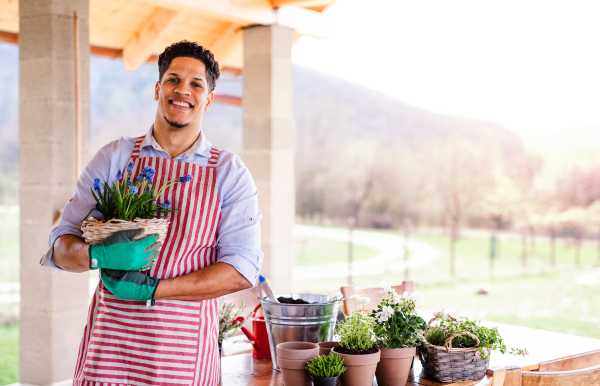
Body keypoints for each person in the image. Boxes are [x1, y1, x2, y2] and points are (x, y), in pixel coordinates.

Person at [39, 41, 264, 385]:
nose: (182, 91)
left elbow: (240, 270)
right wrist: (97, 255)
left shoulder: (229, 172)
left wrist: (155, 289)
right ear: (158, 88)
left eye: (196, 84)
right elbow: (59, 246)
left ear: (209, 99)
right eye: (173, 80)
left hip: (182, 357)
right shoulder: (115, 157)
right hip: (109, 353)